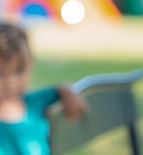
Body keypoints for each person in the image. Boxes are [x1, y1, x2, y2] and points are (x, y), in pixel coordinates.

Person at [0, 22, 89, 155]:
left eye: (19, 70)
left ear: (31, 64)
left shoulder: (36, 102)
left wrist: (66, 91)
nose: (11, 80)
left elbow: (64, 91)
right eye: (1, 73)